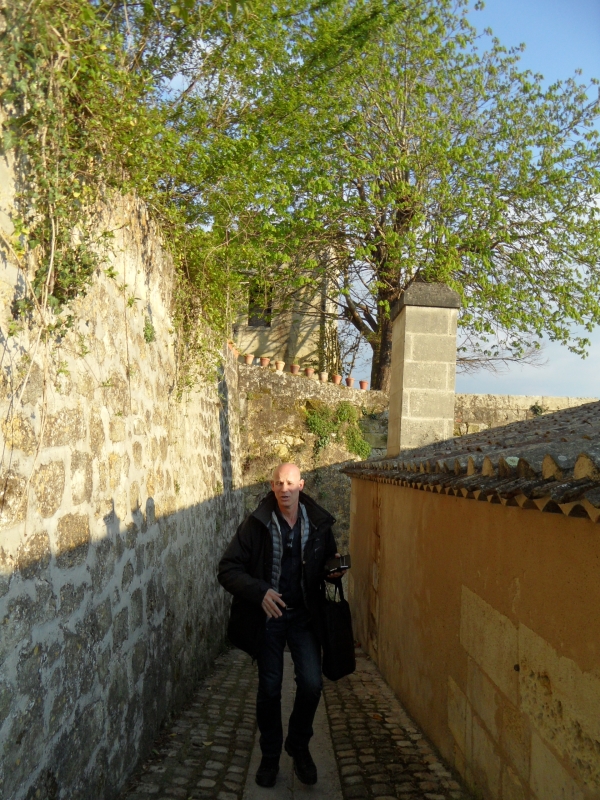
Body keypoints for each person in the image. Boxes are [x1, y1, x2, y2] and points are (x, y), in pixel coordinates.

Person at [217, 462, 342, 788]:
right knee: (270, 689)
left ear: (301, 485)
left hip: (303, 616)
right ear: (272, 486)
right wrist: (259, 591)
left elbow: (328, 559)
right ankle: (270, 755)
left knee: (312, 684)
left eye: (289, 483)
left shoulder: (318, 523)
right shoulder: (256, 524)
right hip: (269, 617)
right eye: (278, 483)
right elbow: (227, 569)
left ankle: (298, 744)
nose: (284, 489)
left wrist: (333, 571)